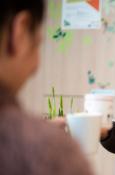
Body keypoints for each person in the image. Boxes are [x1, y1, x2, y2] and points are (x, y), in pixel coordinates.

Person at [0, 0, 93, 174]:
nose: (36, 66)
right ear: (20, 31)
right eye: (37, 44)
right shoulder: (51, 153)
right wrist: (42, 136)